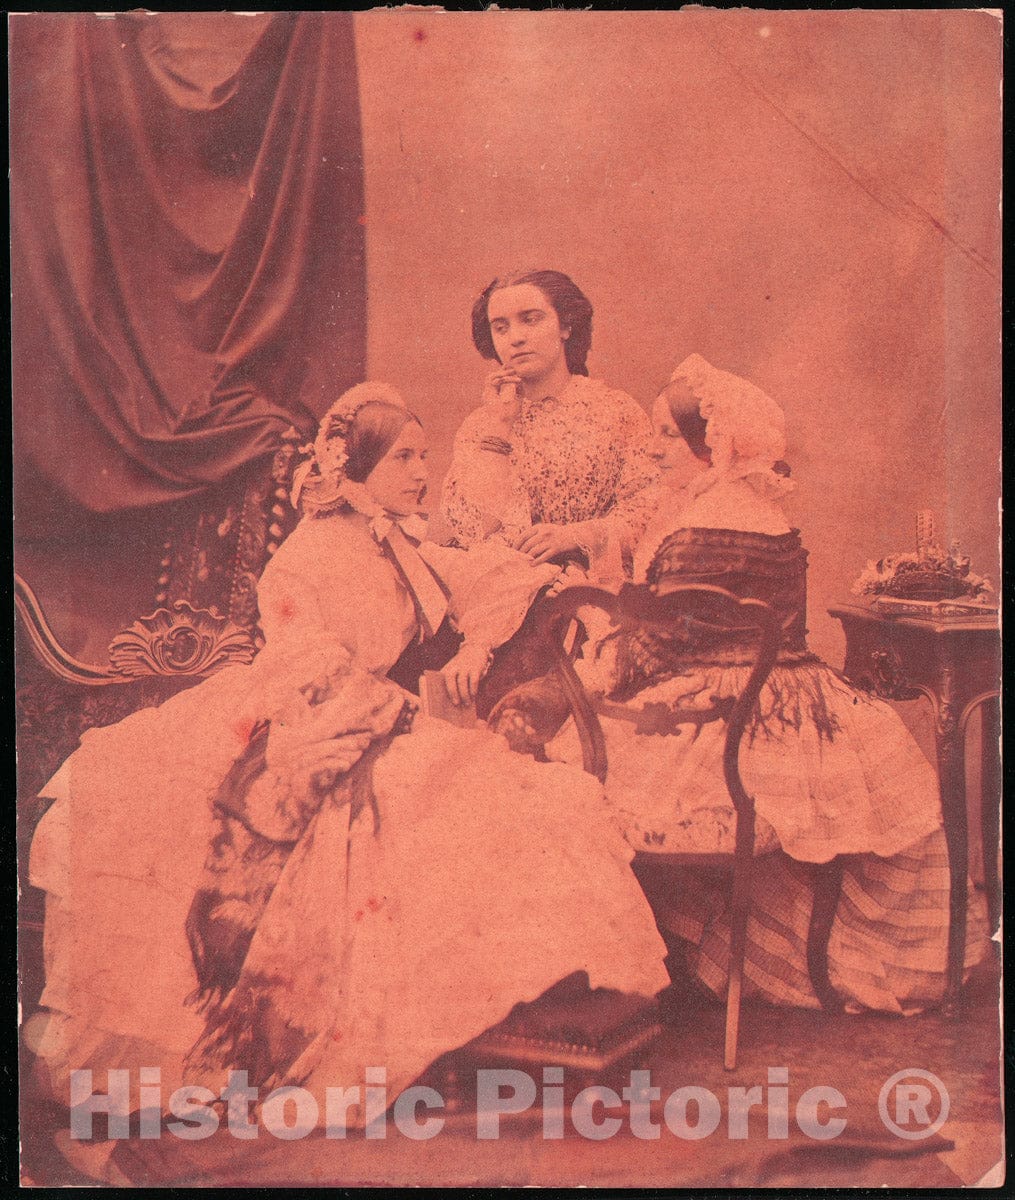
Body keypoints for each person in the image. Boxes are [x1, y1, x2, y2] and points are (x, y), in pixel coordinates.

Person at [29, 383, 669, 1131]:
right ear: (355, 465)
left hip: (384, 721)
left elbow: (485, 578)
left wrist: (536, 609)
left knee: (530, 798)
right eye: (403, 457)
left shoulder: (397, 538)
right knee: (441, 805)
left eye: (423, 456)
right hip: (300, 724)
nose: (420, 472)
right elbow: (310, 673)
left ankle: (514, 1012)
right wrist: (396, 713)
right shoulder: (301, 564)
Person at [519, 354, 989, 1015]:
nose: (652, 451)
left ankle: (630, 956)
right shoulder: (764, 514)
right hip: (793, 696)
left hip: (717, 710)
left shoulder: (693, 525)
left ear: (709, 442)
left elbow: (655, 646)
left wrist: (597, 620)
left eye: (663, 437)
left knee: (577, 762)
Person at [441, 269, 659, 579]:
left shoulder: (616, 410)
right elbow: (472, 529)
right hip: (505, 592)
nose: (516, 338)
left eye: (531, 319)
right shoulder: (481, 426)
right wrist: (500, 426)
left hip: (596, 587)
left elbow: (650, 510)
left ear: (566, 326)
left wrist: (574, 537)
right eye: (501, 328)